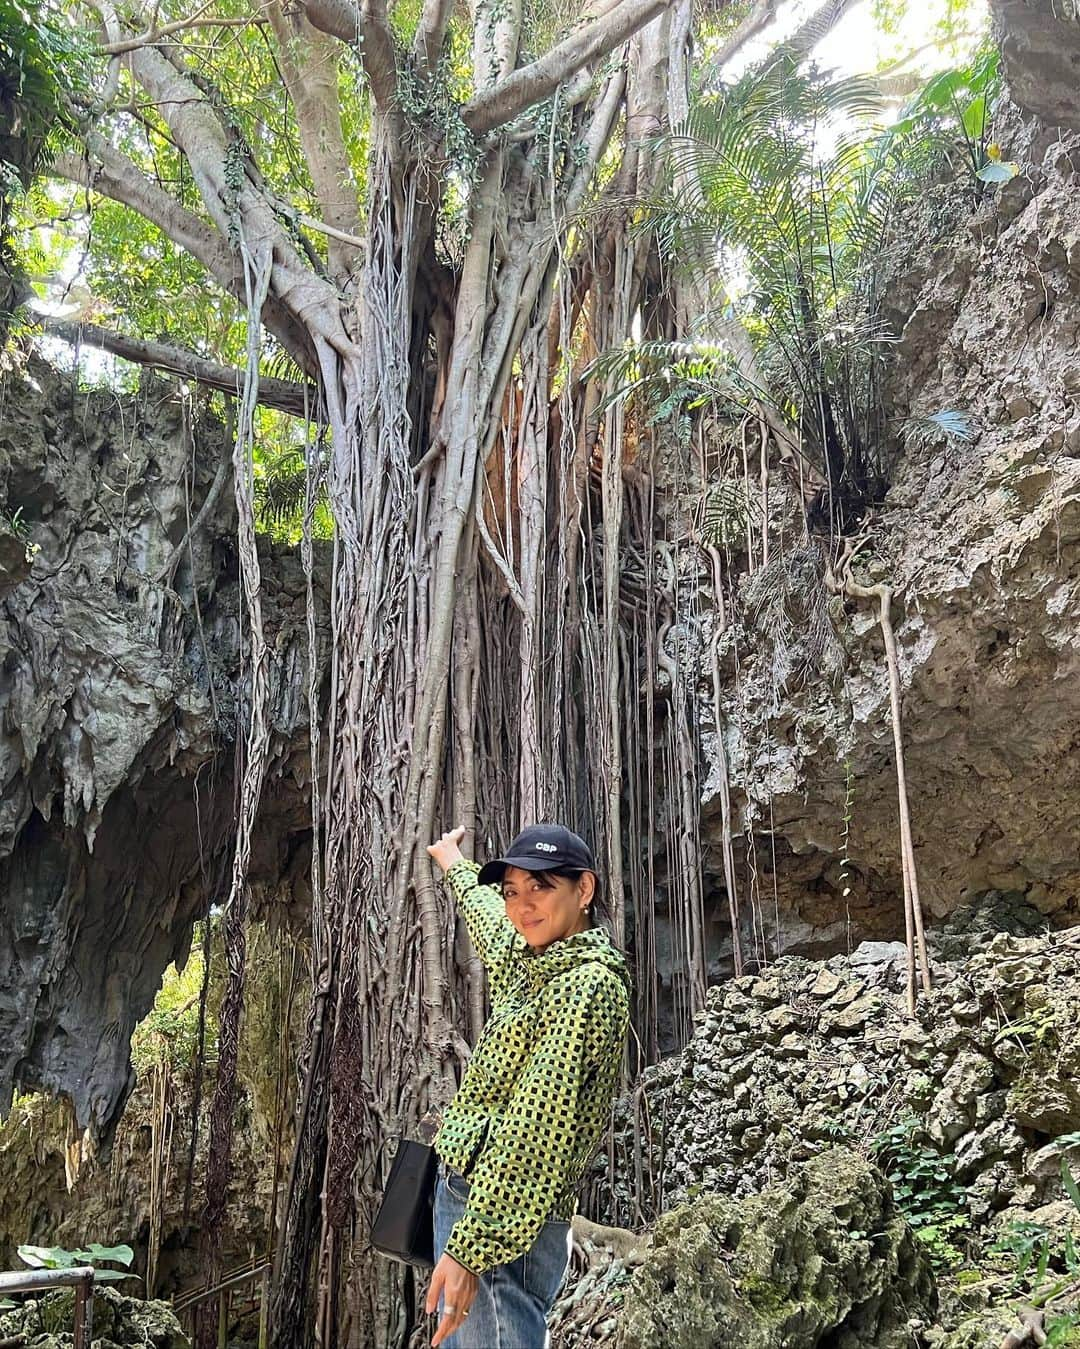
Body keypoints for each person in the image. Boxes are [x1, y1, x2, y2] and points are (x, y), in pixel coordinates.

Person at [423, 823, 631, 1349]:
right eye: (513, 890)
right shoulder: (530, 960)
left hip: (493, 1208)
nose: (522, 906)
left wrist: (471, 1249)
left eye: (541, 887)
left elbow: (533, 1127)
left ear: (584, 890)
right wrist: (454, 863)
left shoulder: (584, 984)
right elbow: (491, 920)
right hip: (498, 1208)